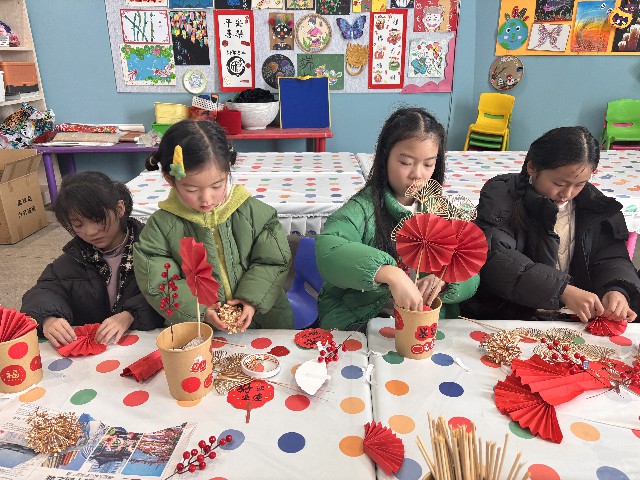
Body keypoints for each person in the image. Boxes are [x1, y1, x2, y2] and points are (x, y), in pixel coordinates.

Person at [315, 107, 479, 331]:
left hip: (424, 322)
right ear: (385, 158)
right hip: (364, 320)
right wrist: (389, 273)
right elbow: (329, 249)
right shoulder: (363, 209)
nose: (417, 174)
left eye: (428, 164)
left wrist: (444, 281)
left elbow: (471, 266)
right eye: (406, 162)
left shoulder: (441, 210)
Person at [461, 126, 640, 323]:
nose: (567, 194)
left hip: (575, 318)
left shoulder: (594, 206)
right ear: (532, 167)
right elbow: (495, 257)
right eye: (559, 184)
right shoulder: (501, 198)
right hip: (512, 315)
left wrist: (617, 289)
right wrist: (561, 290)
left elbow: (611, 256)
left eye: (579, 184)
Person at [133, 120, 293, 331]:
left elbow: (273, 261)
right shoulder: (160, 227)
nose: (206, 199)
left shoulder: (255, 213)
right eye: (191, 190)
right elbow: (159, 283)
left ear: (228, 170)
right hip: (197, 327)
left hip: (264, 321)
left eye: (217, 186)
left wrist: (251, 299)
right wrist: (201, 311)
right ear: (170, 180)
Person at [21, 171, 164, 347]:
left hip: (146, 346)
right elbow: (44, 291)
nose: (90, 232)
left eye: (97, 220)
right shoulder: (75, 257)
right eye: (78, 225)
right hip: (94, 354)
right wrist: (49, 318)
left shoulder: (154, 249)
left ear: (120, 208)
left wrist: (131, 314)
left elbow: (172, 291)